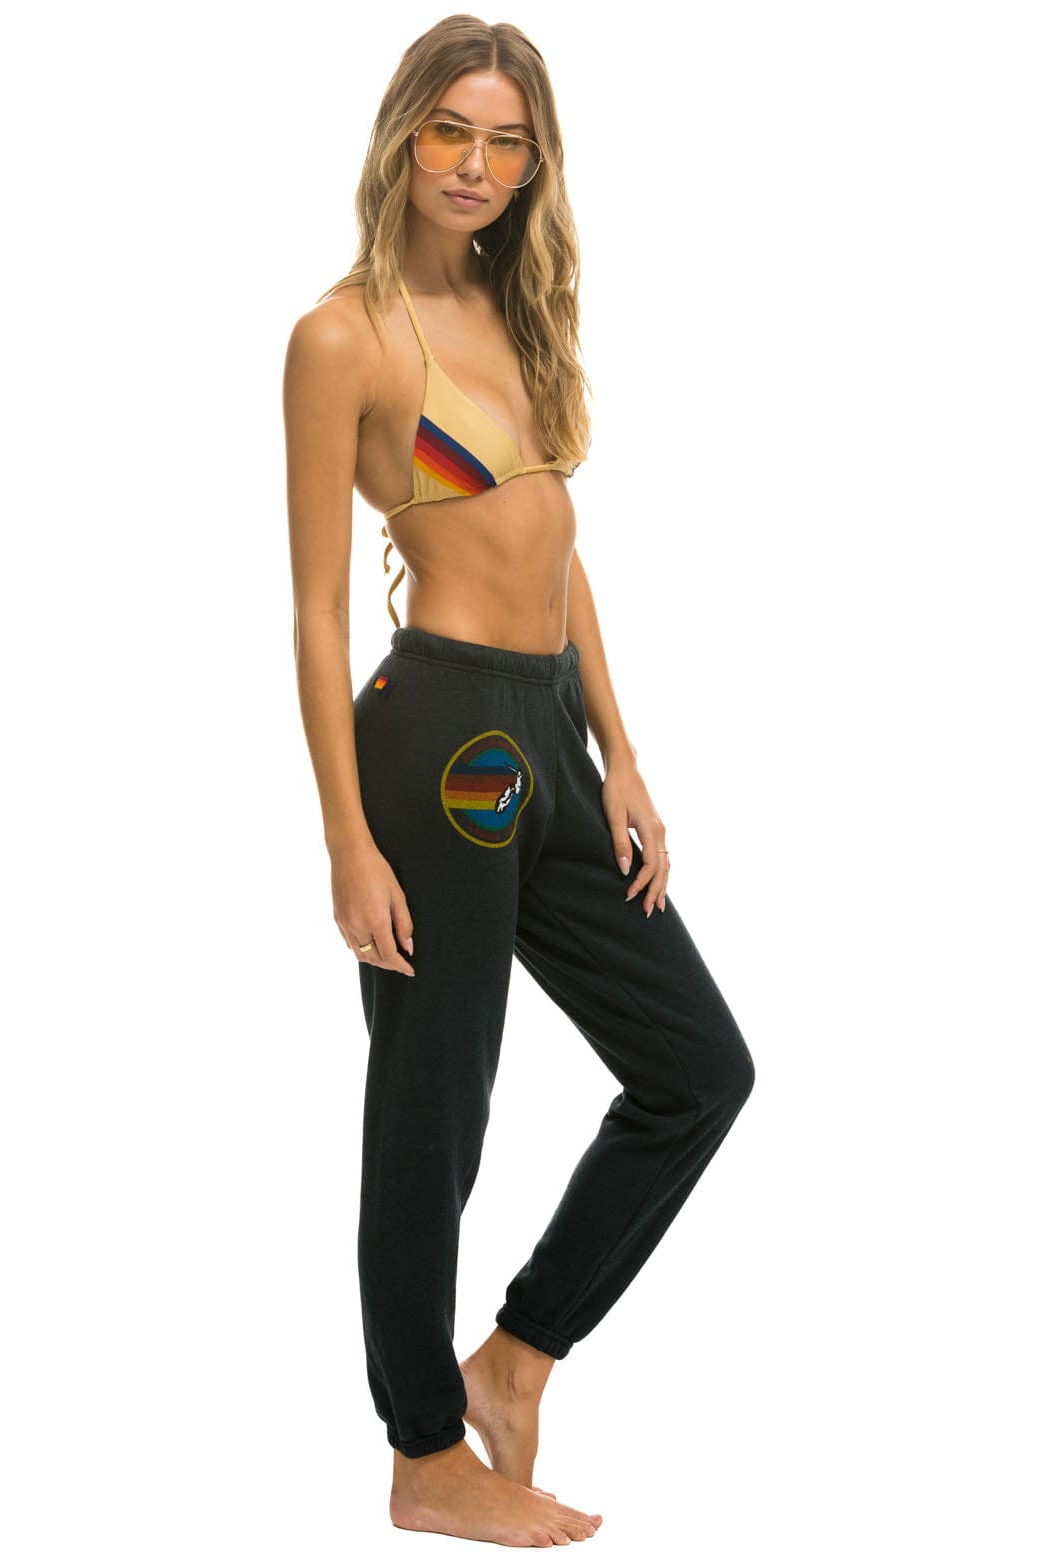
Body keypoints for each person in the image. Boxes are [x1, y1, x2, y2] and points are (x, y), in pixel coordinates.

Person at [282, 13, 755, 1547]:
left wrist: (621, 754)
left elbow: (555, 543)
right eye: (450, 131)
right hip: (441, 745)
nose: (475, 167)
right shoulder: (344, 337)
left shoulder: (517, 303)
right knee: (436, 1105)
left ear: (533, 161)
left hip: (544, 735)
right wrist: (347, 839)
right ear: (403, 134)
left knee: (698, 1069)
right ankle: (424, 1453)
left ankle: (517, 1353)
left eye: (506, 141)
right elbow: (318, 609)